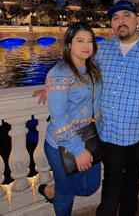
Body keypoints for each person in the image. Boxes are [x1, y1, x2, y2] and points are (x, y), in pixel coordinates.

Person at [34, 0, 139, 216]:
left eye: (126, 16)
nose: (121, 21)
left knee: (132, 181)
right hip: (107, 133)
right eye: (115, 18)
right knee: (110, 184)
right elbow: (77, 63)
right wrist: (55, 85)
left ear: (137, 20)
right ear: (111, 24)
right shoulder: (102, 49)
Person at [37, 22, 102, 216]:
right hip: (63, 144)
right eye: (80, 40)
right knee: (66, 194)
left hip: (89, 137)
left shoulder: (93, 67)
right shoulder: (58, 74)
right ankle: (58, 193)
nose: (86, 46)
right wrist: (78, 150)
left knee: (90, 187)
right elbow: (58, 118)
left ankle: (51, 190)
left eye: (90, 41)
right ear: (69, 44)